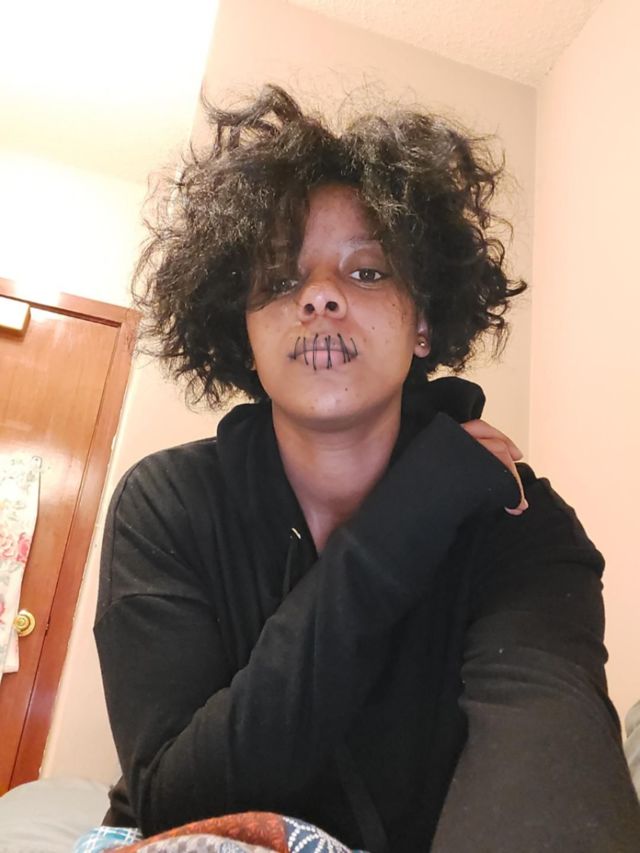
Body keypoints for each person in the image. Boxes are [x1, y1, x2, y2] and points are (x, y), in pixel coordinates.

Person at [93, 85, 640, 852]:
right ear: (244, 330)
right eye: (281, 279)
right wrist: (402, 520)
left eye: (369, 271)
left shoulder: (515, 518)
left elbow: (549, 752)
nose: (319, 296)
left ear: (423, 324)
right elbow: (175, 802)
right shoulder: (167, 503)